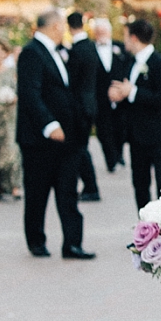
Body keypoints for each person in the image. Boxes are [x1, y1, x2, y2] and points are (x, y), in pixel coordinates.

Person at [14, 8, 94, 259]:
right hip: (39, 140)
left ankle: (72, 244)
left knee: (67, 191)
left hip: (66, 137)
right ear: (55, 26)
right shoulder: (31, 53)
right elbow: (30, 94)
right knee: (38, 192)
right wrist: (50, 125)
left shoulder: (58, 52)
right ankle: (36, 241)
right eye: (62, 26)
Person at [110, 17, 161, 210]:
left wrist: (133, 92)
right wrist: (118, 96)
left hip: (158, 136)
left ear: (134, 38)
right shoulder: (129, 62)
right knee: (140, 185)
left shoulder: (160, 63)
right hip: (136, 136)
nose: (124, 42)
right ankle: (144, 229)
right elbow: (126, 94)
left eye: (126, 37)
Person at [66, 11, 102, 200]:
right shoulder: (91, 47)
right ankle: (90, 186)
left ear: (69, 27)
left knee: (79, 148)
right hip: (90, 102)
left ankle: (91, 186)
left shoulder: (76, 51)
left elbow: (72, 81)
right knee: (82, 146)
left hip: (79, 106)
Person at [91, 17, 128, 172]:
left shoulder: (120, 48)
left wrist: (121, 90)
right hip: (100, 98)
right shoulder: (91, 50)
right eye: (98, 32)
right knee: (103, 130)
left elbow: (127, 68)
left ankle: (119, 154)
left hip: (120, 96)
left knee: (120, 128)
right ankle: (110, 159)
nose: (101, 34)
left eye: (103, 31)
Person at [0, 34, 21, 200]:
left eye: (1, 50)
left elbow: (20, 89)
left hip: (9, 115)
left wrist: (13, 97)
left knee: (11, 148)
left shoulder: (12, 70)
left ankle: (14, 185)